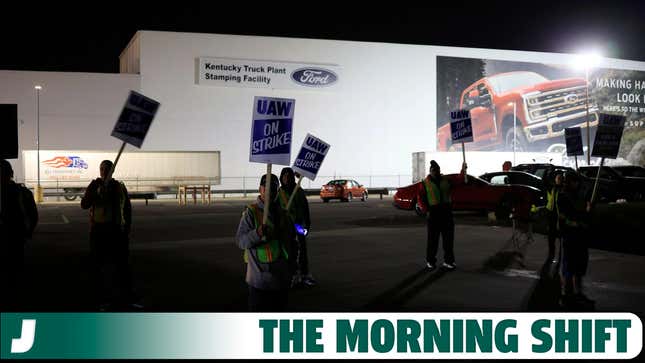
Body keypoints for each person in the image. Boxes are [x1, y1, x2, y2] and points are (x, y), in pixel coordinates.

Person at [81, 160, 134, 310]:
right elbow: (84, 204)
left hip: (117, 231)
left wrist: (127, 228)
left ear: (113, 170)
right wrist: (95, 194)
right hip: (99, 232)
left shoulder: (120, 186)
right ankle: (101, 299)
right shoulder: (94, 185)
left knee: (122, 266)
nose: (104, 171)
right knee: (99, 266)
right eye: (102, 169)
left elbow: (127, 209)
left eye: (107, 169)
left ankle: (126, 297)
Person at [236, 173, 291, 311]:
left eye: (274, 188)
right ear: (260, 189)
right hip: (259, 282)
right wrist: (258, 233)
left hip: (280, 281)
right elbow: (241, 241)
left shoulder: (282, 213)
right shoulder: (251, 212)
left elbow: (290, 242)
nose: (270, 192)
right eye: (267, 188)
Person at [1, 159, 38, 309]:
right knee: (15, 271)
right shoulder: (23, 192)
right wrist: (27, 233)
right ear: (12, 174)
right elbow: (33, 216)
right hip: (17, 239)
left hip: (12, 238)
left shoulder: (20, 193)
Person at [417, 160, 467, 271]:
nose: (435, 172)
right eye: (433, 170)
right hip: (433, 213)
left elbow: (459, 181)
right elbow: (420, 198)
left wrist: (463, 170)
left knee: (448, 240)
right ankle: (430, 262)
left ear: (440, 170)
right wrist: (426, 211)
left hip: (446, 212)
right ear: (430, 171)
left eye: (437, 170)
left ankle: (449, 261)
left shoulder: (446, 180)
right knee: (432, 241)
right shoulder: (424, 183)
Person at [557, 171, 593, 308]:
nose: (577, 184)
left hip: (580, 237)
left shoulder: (578, 196)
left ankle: (578, 293)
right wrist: (577, 223)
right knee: (569, 267)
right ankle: (566, 295)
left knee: (579, 266)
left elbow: (584, 213)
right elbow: (564, 218)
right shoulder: (563, 196)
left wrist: (588, 209)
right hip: (569, 237)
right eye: (575, 181)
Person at [278, 168, 314, 288]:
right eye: (284, 176)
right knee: (288, 251)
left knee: (302, 250)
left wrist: (306, 227)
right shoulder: (279, 193)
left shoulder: (298, 191)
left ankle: (304, 275)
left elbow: (305, 210)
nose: (286, 178)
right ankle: (292, 274)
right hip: (286, 228)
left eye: (289, 176)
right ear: (281, 177)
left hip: (298, 226)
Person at [545, 172, 563, 263]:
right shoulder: (552, 188)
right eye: (557, 178)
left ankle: (561, 255)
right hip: (552, 214)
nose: (559, 180)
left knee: (561, 236)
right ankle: (551, 254)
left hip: (560, 216)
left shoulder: (563, 189)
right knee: (551, 236)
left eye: (560, 178)